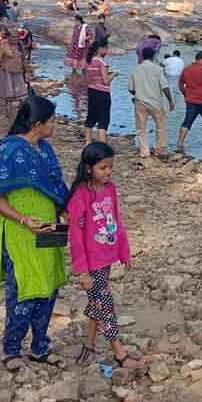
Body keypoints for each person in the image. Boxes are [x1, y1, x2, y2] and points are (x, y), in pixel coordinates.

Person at [0, 96, 70, 372]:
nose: (56, 124)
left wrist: (69, 213)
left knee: (49, 287)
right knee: (24, 289)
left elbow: (55, 187)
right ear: (37, 124)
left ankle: (40, 347)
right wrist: (24, 219)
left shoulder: (45, 149)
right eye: (52, 120)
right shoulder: (10, 151)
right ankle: (11, 349)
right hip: (20, 231)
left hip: (49, 228)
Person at [67, 142, 143, 369]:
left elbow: (116, 222)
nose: (108, 172)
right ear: (89, 168)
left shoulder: (110, 189)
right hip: (91, 264)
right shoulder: (81, 196)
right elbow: (75, 236)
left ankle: (89, 345)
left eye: (110, 167)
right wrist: (82, 270)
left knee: (97, 303)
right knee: (104, 304)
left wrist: (124, 251)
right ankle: (119, 353)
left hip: (106, 257)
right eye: (103, 167)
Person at [129, 48, 175, 158]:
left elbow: (130, 88)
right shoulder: (158, 69)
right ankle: (161, 150)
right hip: (155, 103)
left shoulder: (136, 69)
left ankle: (145, 152)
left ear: (142, 56)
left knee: (141, 129)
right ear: (153, 56)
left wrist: (139, 93)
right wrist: (170, 100)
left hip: (140, 102)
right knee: (161, 126)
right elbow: (165, 87)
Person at [85, 45, 119, 146]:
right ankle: (102, 144)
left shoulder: (89, 61)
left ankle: (87, 141)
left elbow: (88, 79)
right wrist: (114, 74)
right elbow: (106, 81)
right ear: (100, 49)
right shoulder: (102, 62)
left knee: (91, 115)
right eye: (106, 48)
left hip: (91, 91)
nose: (107, 51)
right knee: (103, 118)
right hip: (102, 93)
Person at [0, 37, 29, 121]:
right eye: (13, 36)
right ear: (9, 36)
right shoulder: (4, 46)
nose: (15, 38)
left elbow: (24, 60)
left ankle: (22, 117)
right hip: (7, 74)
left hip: (18, 73)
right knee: (9, 99)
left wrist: (28, 73)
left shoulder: (20, 46)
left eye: (16, 36)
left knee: (23, 97)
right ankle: (10, 119)